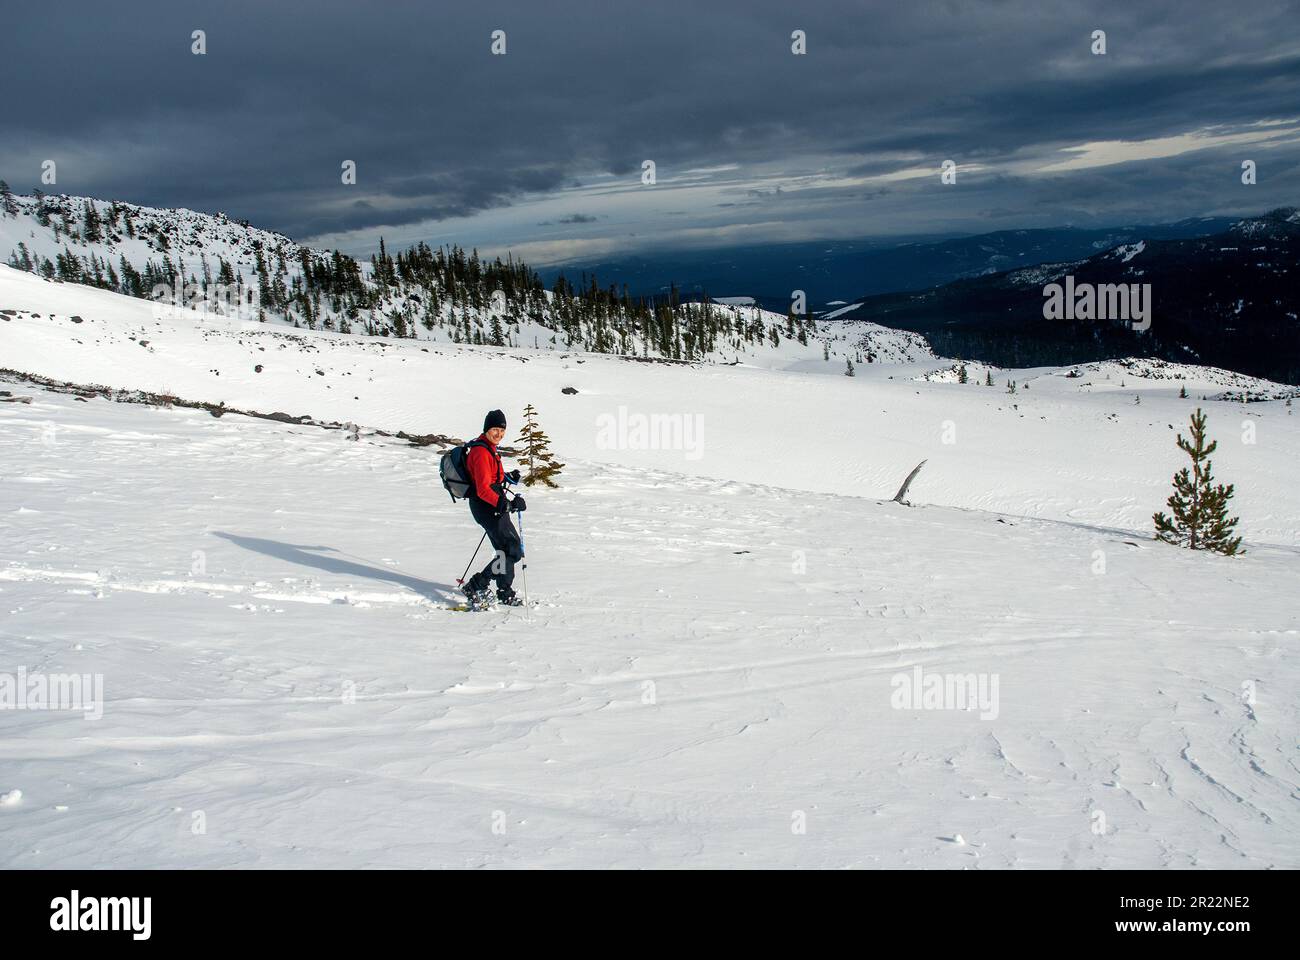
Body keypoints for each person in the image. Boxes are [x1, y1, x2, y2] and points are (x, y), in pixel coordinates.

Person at [462, 409, 527, 606]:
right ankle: (477, 585)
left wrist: (507, 477)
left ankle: (504, 591)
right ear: (487, 429)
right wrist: (507, 504)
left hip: (490, 506)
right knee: (513, 550)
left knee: (504, 550)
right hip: (487, 507)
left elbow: (490, 478)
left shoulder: (489, 448)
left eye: (502, 430)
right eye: (495, 429)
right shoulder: (481, 452)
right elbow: (483, 489)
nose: (498, 433)